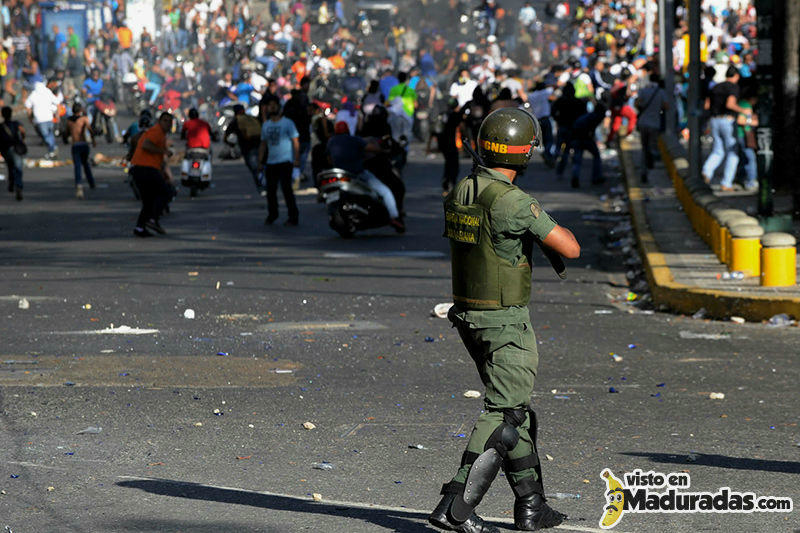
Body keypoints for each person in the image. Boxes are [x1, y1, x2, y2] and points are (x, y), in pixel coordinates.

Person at [430, 108, 578, 532]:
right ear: (524, 153)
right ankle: (455, 507)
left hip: (470, 316)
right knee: (504, 414)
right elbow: (570, 248)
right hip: (504, 321)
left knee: (518, 411)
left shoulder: (464, 189)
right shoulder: (513, 201)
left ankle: (532, 504)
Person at [327, 121, 405, 232]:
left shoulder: (331, 142)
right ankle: (394, 217)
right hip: (357, 174)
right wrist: (384, 150)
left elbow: (329, 159)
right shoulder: (354, 140)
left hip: (340, 175)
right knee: (385, 191)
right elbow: (372, 148)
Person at [702, 66, 749, 191]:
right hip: (727, 120)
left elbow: (707, 105)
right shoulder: (733, 87)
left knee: (718, 150)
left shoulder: (715, 87)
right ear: (736, 76)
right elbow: (730, 104)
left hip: (714, 120)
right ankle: (726, 183)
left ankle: (706, 172)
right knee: (732, 153)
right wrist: (743, 110)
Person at [129, 112, 174, 237]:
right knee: (166, 192)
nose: (168, 124)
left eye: (170, 121)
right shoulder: (157, 131)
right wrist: (164, 151)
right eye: (165, 121)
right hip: (145, 168)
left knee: (148, 200)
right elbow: (146, 145)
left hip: (141, 168)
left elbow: (160, 160)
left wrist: (164, 172)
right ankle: (152, 220)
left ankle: (140, 227)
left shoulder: (161, 134)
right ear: (159, 121)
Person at [260, 98, 300, 226]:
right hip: (271, 162)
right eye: (269, 106)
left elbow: (295, 141)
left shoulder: (288, 123)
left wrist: (296, 160)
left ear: (279, 108)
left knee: (286, 189)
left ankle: (293, 216)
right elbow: (263, 144)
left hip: (285, 161)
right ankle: (273, 214)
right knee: (270, 191)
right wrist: (260, 161)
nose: (271, 108)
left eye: (273, 106)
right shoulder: (266, 125)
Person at [635, 73, 668, 183]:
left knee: (644, 148)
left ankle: (644, 170)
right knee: (652, 146)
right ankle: (650, 166)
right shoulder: (661, 92)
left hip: (643, 122)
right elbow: (666, 106)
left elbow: (637, 103)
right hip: (654, 124)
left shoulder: (644, 90)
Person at [225, 104, 264, 193]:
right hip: (260, 145)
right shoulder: (252, 118)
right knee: (260, 166)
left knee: (254, 168)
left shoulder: (236, 121)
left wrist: (230, 144)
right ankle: (263, 183)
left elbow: (227, 135)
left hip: (247, 148)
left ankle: (261, 185)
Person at [66, 102, 96, 199]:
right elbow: (90, 129)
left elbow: (66, 133)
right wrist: (93, 140)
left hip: (75, 145)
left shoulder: (69, 121)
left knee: (77, 165)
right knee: (86, 163)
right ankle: (91, 182)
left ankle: (79, 184)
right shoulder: (84, 119)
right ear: (80, 110)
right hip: (83, 144)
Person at [24, 81, 61, 159]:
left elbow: (27, 106)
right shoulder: (48, 92)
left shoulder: (34, 94)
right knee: (50, 134)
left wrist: (30, 117)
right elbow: (57, 102)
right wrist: (57, 115)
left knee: (45, 136)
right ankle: (52, 150)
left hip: (40, 120)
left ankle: (52, 148)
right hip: (49, 118)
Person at [0, 106, 25, 201]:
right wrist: (22, 139)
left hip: (5, 150)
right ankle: (18, 186)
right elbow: (23, 131)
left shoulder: (1, 126)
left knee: (10, 167)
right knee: (18, 168)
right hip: (15, 148)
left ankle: (11, 183)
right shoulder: (16, 124)